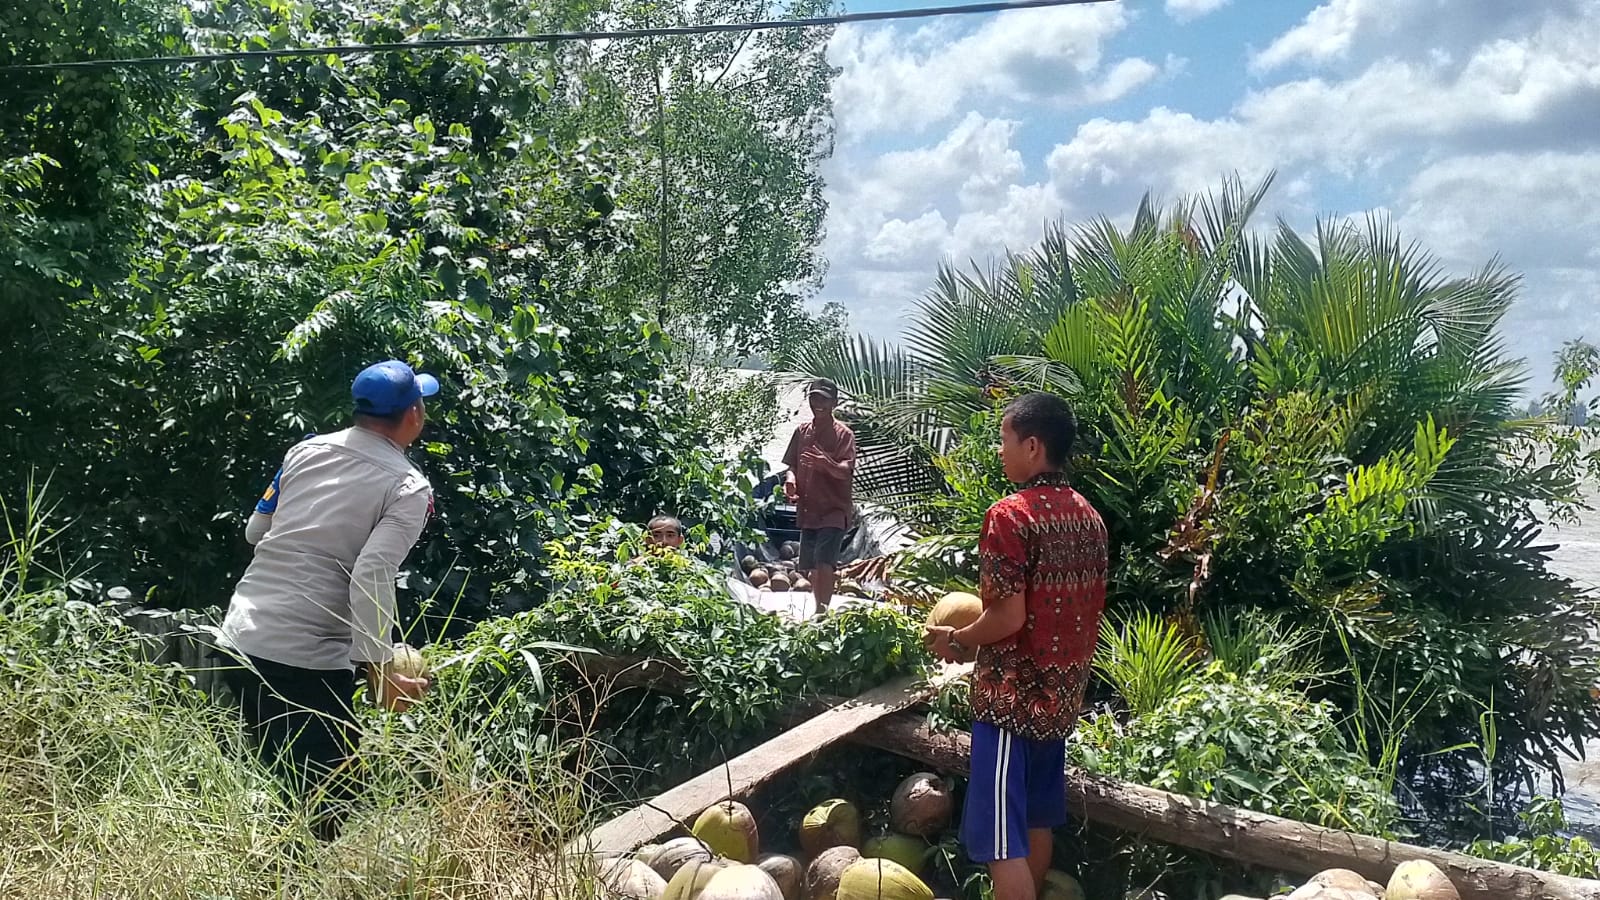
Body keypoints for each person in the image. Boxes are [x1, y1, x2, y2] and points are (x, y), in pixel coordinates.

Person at [219, 359, 439, 840]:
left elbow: (257, 531)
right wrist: (382, 670)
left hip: (240, 635)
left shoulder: (305, 451)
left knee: (280, 779)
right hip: (304, 656)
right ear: (413, 415)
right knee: (330, 795)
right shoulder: (407, 486)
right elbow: (372, 572)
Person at [924, 392, 1108, 900]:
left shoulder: (1010, 516)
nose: (999, 450)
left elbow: (1007, 617)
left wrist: (957, 640)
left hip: (1012, 704)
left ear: (1032, 446)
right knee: (1035, 822)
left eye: (1004, 440)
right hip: (1061, 700)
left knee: (1001, 842)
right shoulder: (1089, 517)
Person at [781, 378, 856, 613]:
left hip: (834, 509)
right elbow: (790, 465)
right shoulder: (802, 431)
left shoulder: (844, 434)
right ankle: (818, 608)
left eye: (823, 399)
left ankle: (822, 611)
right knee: (812, 565)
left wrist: (827, 464)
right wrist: (791, 480)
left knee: (825, 563)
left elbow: (846, 470)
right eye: (814, 398)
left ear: (835, 402)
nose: (818, 403)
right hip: (809, 508)